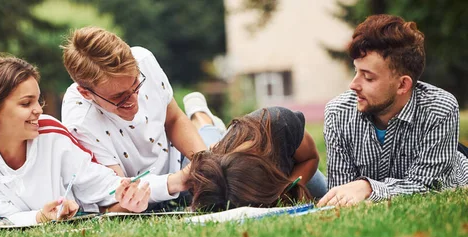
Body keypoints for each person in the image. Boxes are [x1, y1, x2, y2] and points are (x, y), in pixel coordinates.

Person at [0, 55, 150, 225]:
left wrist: (127, 197)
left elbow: (100, 184)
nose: (38, 110)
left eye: (38, 100)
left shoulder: (50, 131)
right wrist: (39, 217)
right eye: (26, 103)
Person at [317, 14, 468, 208]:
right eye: (356, 71)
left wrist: (368, 188)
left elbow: (429, 187)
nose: (353, 84)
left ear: (402, 85)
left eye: (368, 77)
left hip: (456, 167)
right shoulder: (337, 113)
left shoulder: (440, 109)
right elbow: (342, 191)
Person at [60, 27, 214, 207]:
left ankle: (201, 117)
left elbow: (173, 119)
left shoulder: (144, 59)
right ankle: (201, 118)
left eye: (135, 83)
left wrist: (204, 163)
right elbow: (120, 192)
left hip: (178, 159)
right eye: (119, 96)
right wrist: (175, 182)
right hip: (152, 191)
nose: (134, 99)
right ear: (86, 93)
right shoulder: (80, 122)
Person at [185, 106, 326, 211]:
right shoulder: (217, 170)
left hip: (294, 163)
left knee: (326, 193)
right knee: (211, 143)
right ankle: (202, 119)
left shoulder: (280, 123)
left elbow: (310, 158)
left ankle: (201, 116)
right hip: (225, 149)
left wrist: (287, 188)